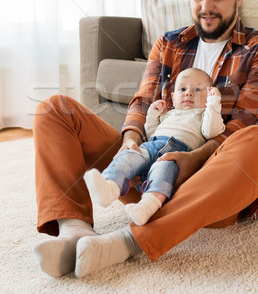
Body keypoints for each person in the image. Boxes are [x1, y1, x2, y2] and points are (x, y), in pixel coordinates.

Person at [32, 0, 258, 279]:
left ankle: (126, 242)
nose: (205, 6)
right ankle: (75, 233)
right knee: (54, 109)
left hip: (208, 185)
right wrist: (131, 141)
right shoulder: (169, 43)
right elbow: (143, 100)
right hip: (142, 170)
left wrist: (190, 160)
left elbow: (245, 121)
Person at [84, 68, 225, 226]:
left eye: (197, 89)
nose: (189, 93)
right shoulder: (169, 113)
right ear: (173, 96)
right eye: (183, 89)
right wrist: (153, 114)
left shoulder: (204, 114)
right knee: (129, 155)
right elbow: (151, 133)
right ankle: (110, 185)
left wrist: (214, 104)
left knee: (163, 170)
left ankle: (147, 206)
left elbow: (212, 131)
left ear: (209, 94)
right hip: (151, 146)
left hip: (176, 153)